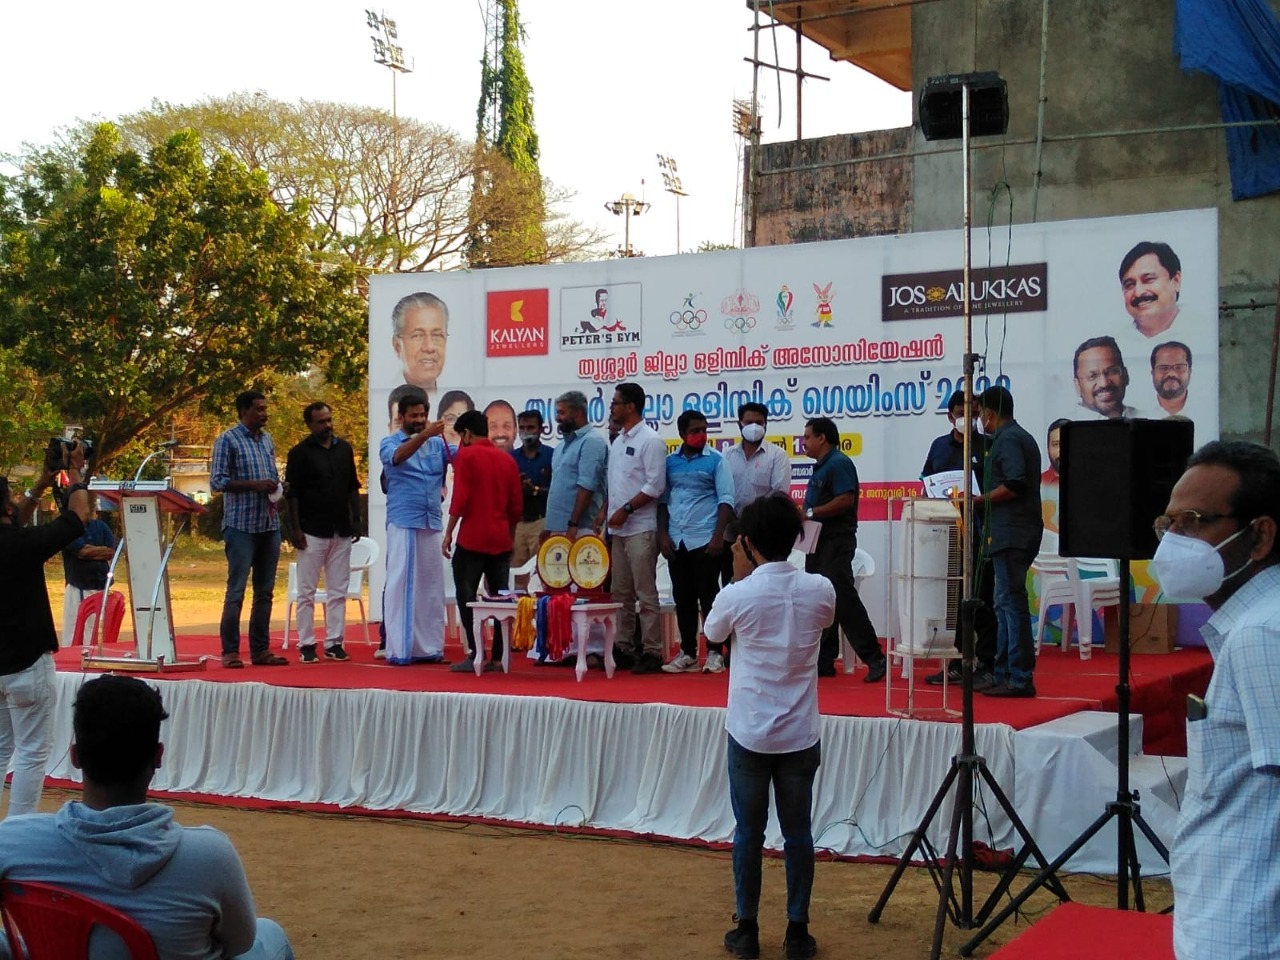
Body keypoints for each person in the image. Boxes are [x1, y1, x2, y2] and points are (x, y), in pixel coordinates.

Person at [0, 674, 294, 959]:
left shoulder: (13, 841)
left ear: (75, 757)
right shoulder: (212, 856)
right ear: (158, 756)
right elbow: (240, 943)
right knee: (270, 934)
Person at [1152, 441, 1280, 960]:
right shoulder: (1253, 623)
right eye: (1168, 524)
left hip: (1246, 927)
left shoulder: (1261, 634)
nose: (1173, 542)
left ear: (1260, 536)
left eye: (1194, 522)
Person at [703, 492, 835, 960]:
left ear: (749, 543)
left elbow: (712, 634)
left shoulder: (737, 594)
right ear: (794, 538)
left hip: (750, 732)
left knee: (748, 833)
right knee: (798, 834)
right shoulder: (820, 589)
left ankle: (748, 929)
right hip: (799, 732)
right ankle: (797, 931)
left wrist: (741, 576)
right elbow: (825, 619)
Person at [0, 444, 91, 818]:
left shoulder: (18, 539)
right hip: (27, 664)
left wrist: (42, 483)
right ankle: (19, 828)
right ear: (7, 509)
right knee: (32, 752)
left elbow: (17, 521)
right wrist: (76, 472)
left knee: (1, 750)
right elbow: (79, 516)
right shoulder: (22, 544)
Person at [920, 392, 998, 689]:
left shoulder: (988, 446)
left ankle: (986, 663)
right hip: (945, 534)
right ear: (950, 416)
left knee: (982, 598)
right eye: (961, 412)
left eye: (974, 412)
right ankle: (956, 663)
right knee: (952, 601)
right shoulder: (939, 446)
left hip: (979, 533)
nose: (968, 418)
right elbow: (926, 479)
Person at [801, 417, 886, 681]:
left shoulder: (838, 463)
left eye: (807, 437)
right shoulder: (821, 466)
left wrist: (810, 513)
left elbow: (845, 500)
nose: (804, 442)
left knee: (843, 599)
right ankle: (824, 660)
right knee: (821, 598)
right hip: (817, 542)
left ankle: (874, 657)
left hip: (835, 542)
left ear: (822, 438)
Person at [973, 386, 1043, 698]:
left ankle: (1019, 677)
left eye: (979, 414)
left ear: (989, 414)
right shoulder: (1009, 438)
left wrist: (980, 500)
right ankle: (1004, 673)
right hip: (1008, 533)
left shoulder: (1010, 439)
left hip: (1013, 533)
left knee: (1011, 604)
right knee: (1003, 603)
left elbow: (1015, 484)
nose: (979, 420)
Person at [211, 390, 288, 669]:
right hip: (240, 526)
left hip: (268, 524)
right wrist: (255, 485)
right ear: (244, 411)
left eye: (265, 408)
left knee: (265, 592)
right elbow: (217, 481)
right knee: (236, 591)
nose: (265, 414)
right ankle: (231, 651)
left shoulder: (267, 440)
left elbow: (271, 477)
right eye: (259, 409)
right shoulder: (227, 440)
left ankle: (260, 650)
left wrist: (278, 490)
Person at [444, 411, 523, 673]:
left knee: (467, 597)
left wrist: (449, 532)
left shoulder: (466, 456)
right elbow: (515, 507)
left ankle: (476, 653)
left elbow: (461, 500)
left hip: (472, 538)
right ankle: (499, 657)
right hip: (500, 538)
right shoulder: (507, 459)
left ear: (467, 434)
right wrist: (510, 536)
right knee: (500, 598)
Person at [658, 410, 735, 674]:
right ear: (682, 434)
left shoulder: (717, 461)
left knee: (709, 597)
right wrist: (662, 536)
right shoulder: (669, 464)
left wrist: (718, 537)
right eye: (694, 431)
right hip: (676, 540)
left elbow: (726, 501)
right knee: (683, 597)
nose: (701, 435)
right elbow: (662, 502)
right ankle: (688, 653)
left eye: (704, 430)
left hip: (705, 540)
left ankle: (714, 652)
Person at [285, 402, 360, 664]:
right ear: (309, 425)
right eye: (321, 422)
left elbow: (352, 486)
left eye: (329, 420)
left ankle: (335, 642)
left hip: (341, 529)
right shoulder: (299, 453)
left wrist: (356, 519)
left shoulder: (344, 449)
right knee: (306, 592)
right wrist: (295, 528)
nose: (327, 426)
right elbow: (292, 495)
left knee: (338, 591)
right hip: (312, 530)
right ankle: (307, 644)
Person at [379, 393, 451, 664]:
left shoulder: (438, 444)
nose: (420, 420)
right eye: (414, 416)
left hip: (431, 521)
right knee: (402, 584)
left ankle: (429, 648)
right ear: (401, 417)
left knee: (430, 587)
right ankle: (399, 649)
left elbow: (464, 456)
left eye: (423, 415)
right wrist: (424, 435)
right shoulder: (389, 442)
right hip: (404, 521)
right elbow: (397, 457)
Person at [606, 382, 668, 674]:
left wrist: (627, 509)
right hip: (617, 529)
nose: (612, 408)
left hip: (641, 527)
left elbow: (655, 486)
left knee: (645, 593)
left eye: (616, 403)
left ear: (630, 406)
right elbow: (616, 484)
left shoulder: (650, 440)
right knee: (620, 593)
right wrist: (608, 515)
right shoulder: (618, 441)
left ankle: (653, 650)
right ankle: (624, 648)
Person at [722, 402, 791, 587]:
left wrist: (752, 521)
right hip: (731, 532)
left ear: (766, 425)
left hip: (764, 533)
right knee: (732, 583)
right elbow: (721, 491)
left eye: (759, 422)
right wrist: (734, 522)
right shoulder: (727, 455)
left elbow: (779, 494)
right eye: (749, 422)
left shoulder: (777, 455)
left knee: (765, 585)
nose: (754, 427)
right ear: (739, 424)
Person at [545, 391, 609, 541]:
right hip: (558, 528)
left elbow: (586, 488)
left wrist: (573, 523)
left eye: (562, 413)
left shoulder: (591, 442)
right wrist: (548, 528)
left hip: (580, 529)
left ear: (578, 413)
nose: (557, 418)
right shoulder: (561, 446)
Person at [60, 500, 116, 646]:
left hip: (102, 586)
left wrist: (91, 551)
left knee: (97, 631)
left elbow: (111, 552)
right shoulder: (68, 529)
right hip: (79, 587)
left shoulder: (101, 526)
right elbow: (82, 552)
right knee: (75, 631)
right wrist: (99, 551)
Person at [511, 409, 554, 589]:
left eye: (531, 428)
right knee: (517, 577)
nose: (526, 432)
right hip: (518, 525)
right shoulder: (512, 457)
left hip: (541, 522)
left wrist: (534, 490)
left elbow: (557, 492)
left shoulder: (552, 455)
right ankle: (519, 608)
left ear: (541, 429)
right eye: (522, 428)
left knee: (545, 575)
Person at [1119, 240, 1181, 338]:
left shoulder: (1204, 333)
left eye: (1148, 280)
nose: (1138, 292)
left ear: (1176, 281)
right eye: (1130, 285)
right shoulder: (1115, 343)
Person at [391, 291, 449, 395]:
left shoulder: (457, 397)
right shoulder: (381, 397)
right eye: (418, 336)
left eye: (437, 335)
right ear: (397, 346)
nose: (429, 347)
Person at [1072, 335, 1139, 419]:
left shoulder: (1150, 419)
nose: (1104, 384)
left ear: (1126, 375)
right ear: (1077, 385)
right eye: (1092, 376)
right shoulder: (1066, 425)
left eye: (1112, 372)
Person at [1151, 340, 1193, 417]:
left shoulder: (1207, 408)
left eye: (1179, 367)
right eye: (1163, 368)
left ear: (1189, 371)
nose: (1171, 373)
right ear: (1153, 373)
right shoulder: (1136, 413)